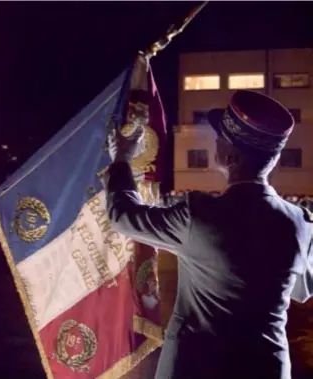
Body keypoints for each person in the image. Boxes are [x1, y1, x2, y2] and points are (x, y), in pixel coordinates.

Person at [106, 90, 313, 379]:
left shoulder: (199, 214)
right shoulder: (301, 224)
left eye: (219, 138)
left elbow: (123, 216)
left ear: (229, 156)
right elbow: (301, 289)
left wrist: (122, 161)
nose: (214, 141)